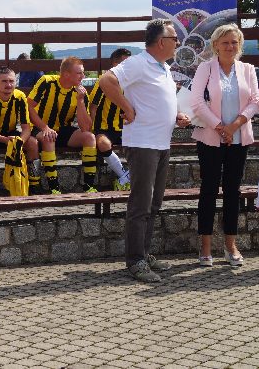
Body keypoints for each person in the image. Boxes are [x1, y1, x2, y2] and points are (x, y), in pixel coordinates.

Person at [99, 18, 190, 282]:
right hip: (143, 144)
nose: (178, 43)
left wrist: (177, 115)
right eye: (174, 39)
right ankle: (135, 261)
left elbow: (158, 101)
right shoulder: (139, 62)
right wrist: (127, 108)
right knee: (141, 204)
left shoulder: (163, 67)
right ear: (161, 42)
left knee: (153, 203)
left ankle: (144, 254)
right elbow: (106, 80)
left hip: (160, 143)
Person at [190, 23, 259, 267]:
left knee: (233, 192)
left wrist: (233, 127)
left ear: (239, 45)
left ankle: (230, 246)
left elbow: (255, 101)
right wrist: (220, 127)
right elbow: (197, 102)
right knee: (208, 190)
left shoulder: (247, 69)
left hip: (238, 139)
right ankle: (206, 247)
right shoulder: (205, 68)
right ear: (216, 45)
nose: (230, 46)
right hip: (210, 139)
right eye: (225, 42)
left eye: (234, 42)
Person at [27, 57, 98, 194]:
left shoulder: (81, 92)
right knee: (49, 137)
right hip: (38, 127)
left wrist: (80, 101)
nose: (83, 76)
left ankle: (89, 186)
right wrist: (45, 128)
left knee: (89, 137)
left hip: (63, 130)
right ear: (66, 74)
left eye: (83, 73)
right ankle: (54, 188)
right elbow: (28, 108)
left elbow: (86, 128)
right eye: (79, 73)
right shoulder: (46, 82)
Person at [0, 66, 39, 196]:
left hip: (10, 133)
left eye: (11, 81)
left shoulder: (20, 96)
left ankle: (35, 184)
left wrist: (19, 141)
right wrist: (5, 140)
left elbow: (26, 128)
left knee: (32, 143)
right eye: (4, 81)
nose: (9, 85)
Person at [88, 48, 132, 190]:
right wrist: (93, 131)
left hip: (125, 128)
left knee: (146, 145)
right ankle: (124, 177)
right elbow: (93, 107)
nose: (128, 67)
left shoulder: (131, 82)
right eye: (125, 63)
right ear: (115, 64)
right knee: (103, 144)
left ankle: (126, 178)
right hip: (104, 128)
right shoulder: (104, 81)